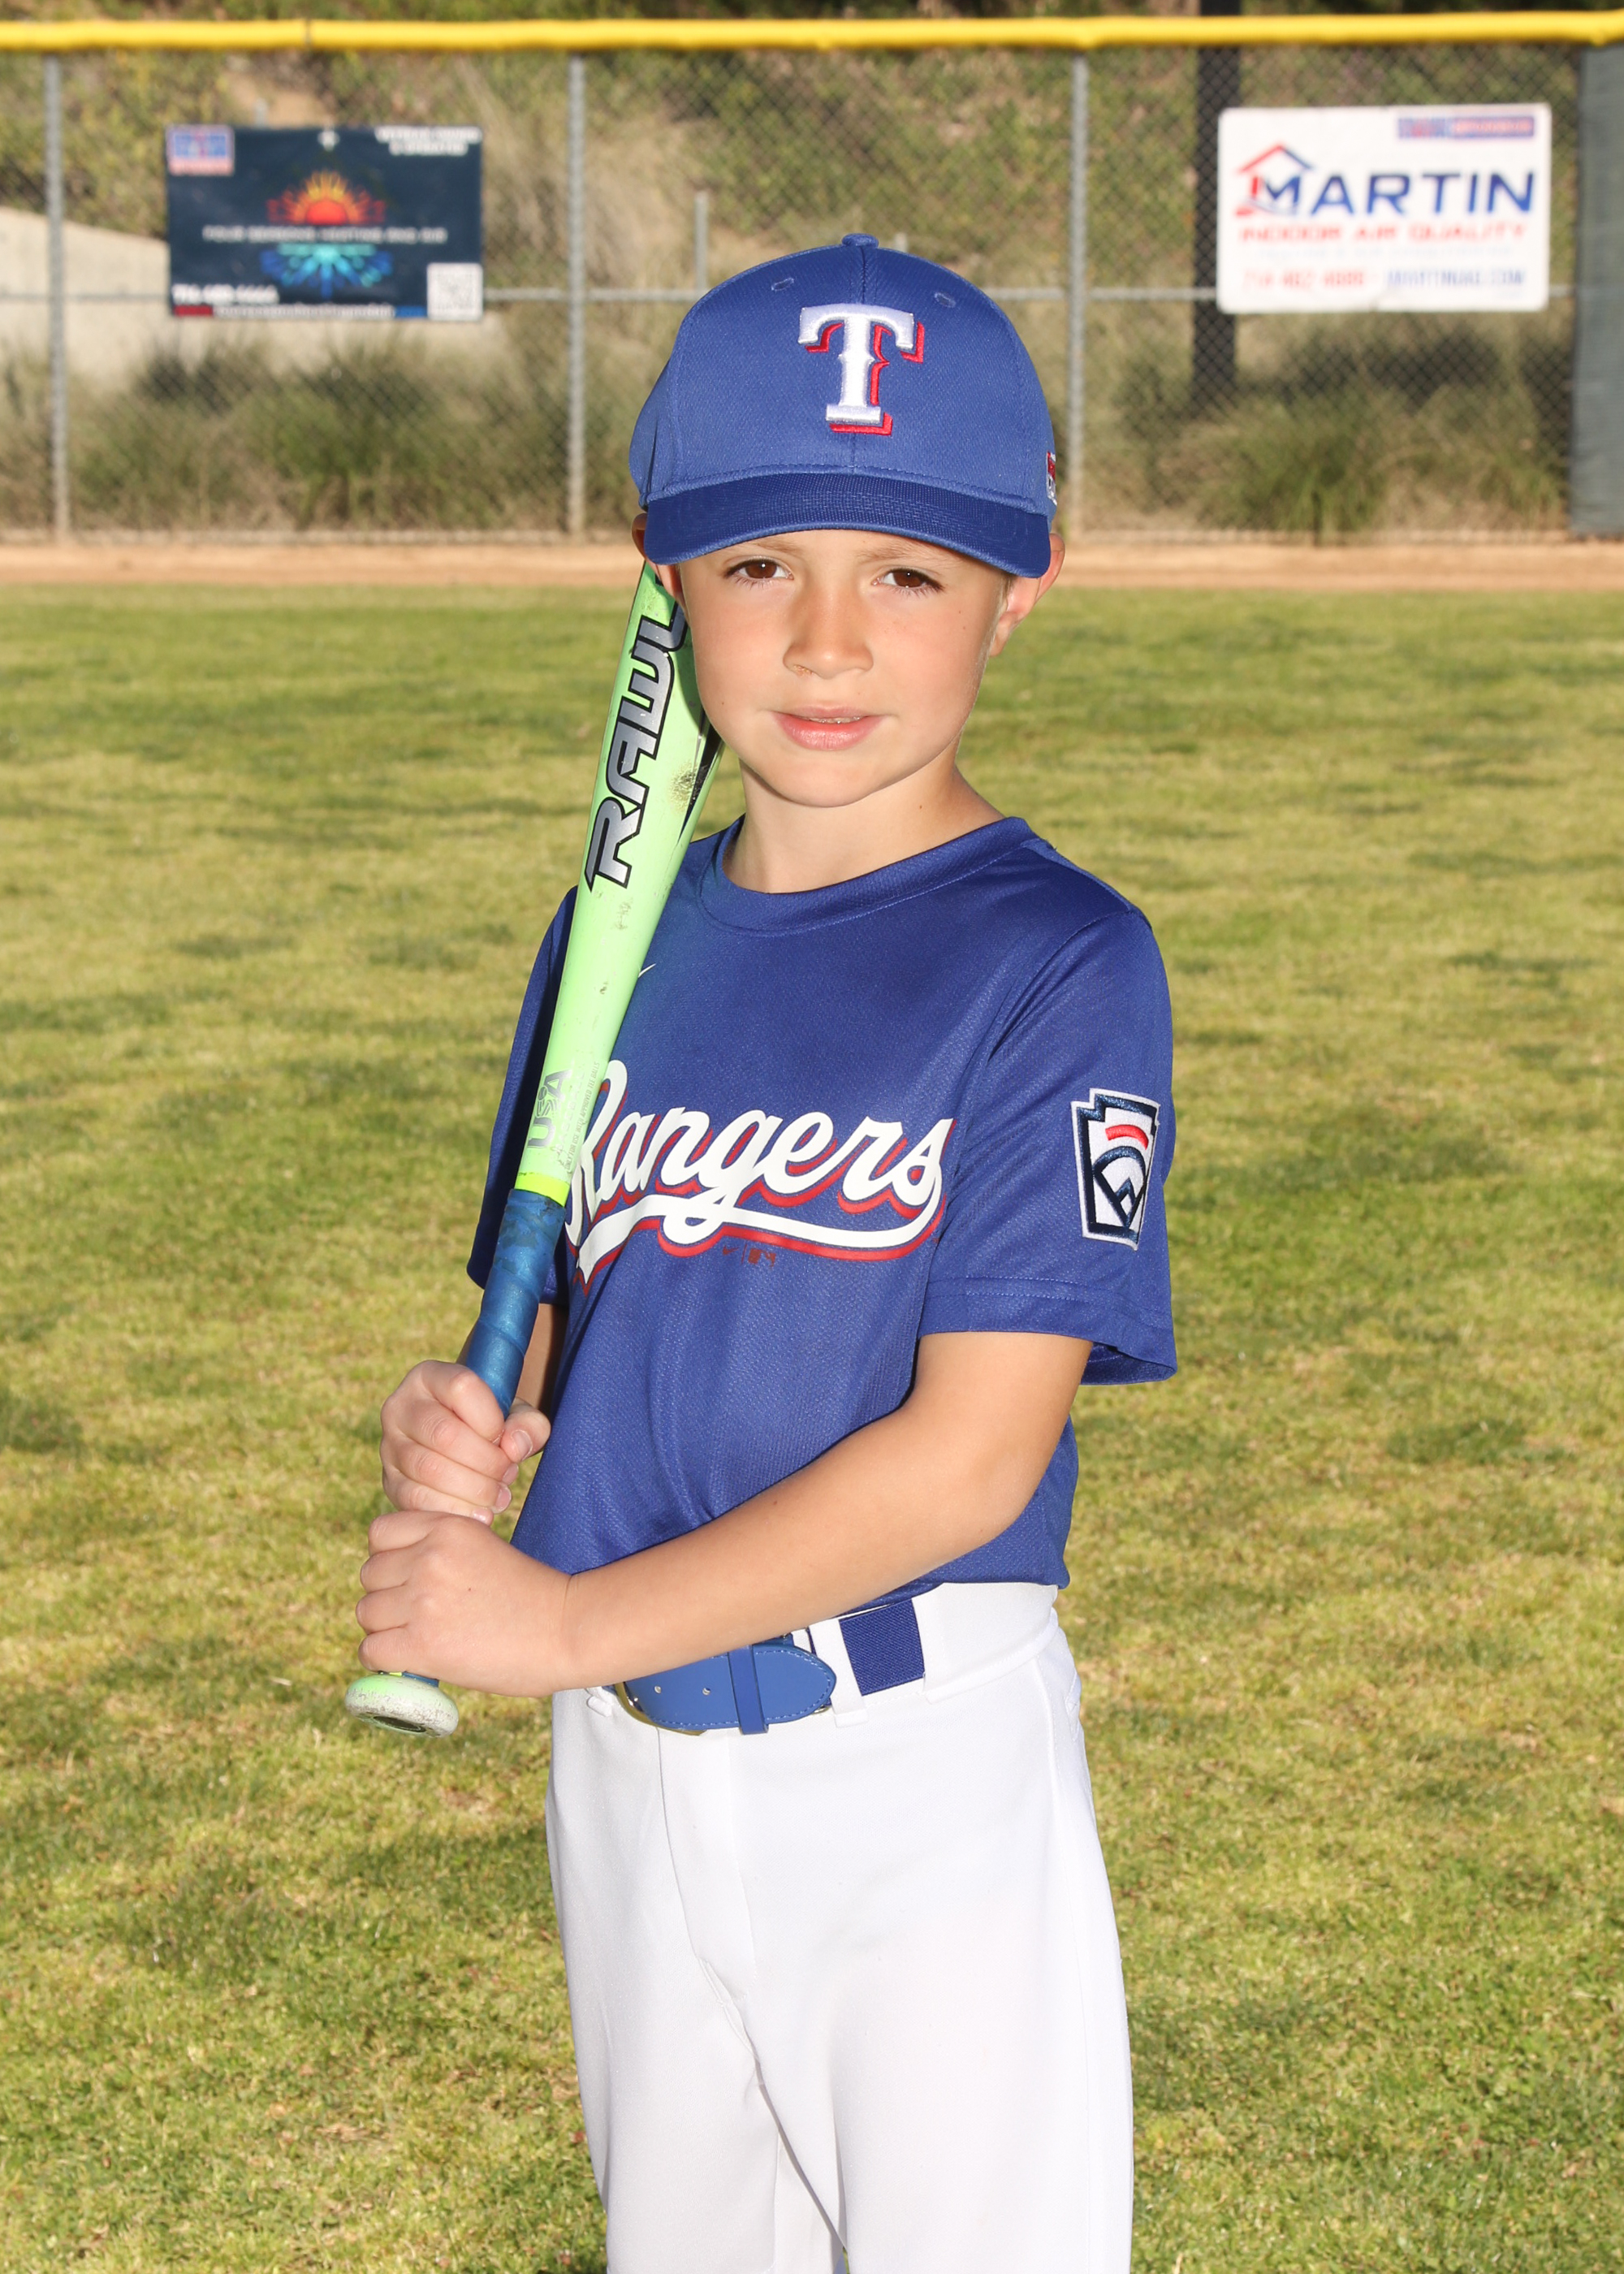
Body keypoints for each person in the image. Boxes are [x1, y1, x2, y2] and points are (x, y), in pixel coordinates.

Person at [356, 234, 1176, 2274]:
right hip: (626, 1767)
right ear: (663, 583)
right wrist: (474, 1415)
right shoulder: (611, 939)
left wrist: (556, 1620)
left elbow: (970, 1459)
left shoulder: (1057, 960)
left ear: (1018, 589)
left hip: (909, 1770)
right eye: (755, 564)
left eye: (905, 573)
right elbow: (580, 1308)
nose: (824, 640)